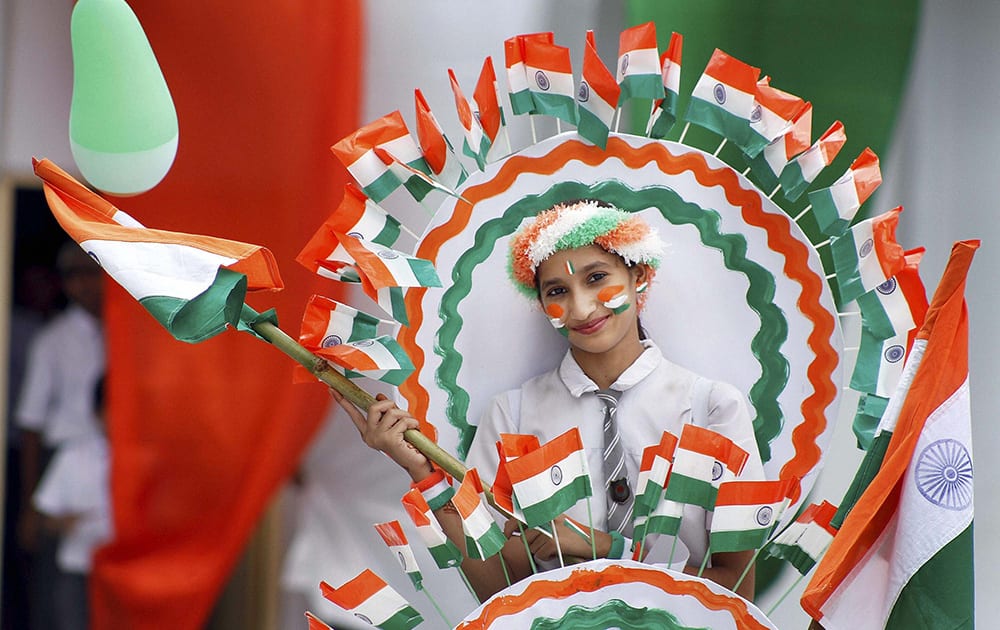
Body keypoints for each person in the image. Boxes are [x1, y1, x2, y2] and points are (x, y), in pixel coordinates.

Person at [331, 200, 765, 601]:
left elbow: (736, 589)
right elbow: (500, 592)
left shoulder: (713, 409)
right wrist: (422, 474)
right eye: (556, 291)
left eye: (597, 278)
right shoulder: (512, 416)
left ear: (639, 276)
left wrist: (607, 549)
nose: (580, 308)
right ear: (541, 303)